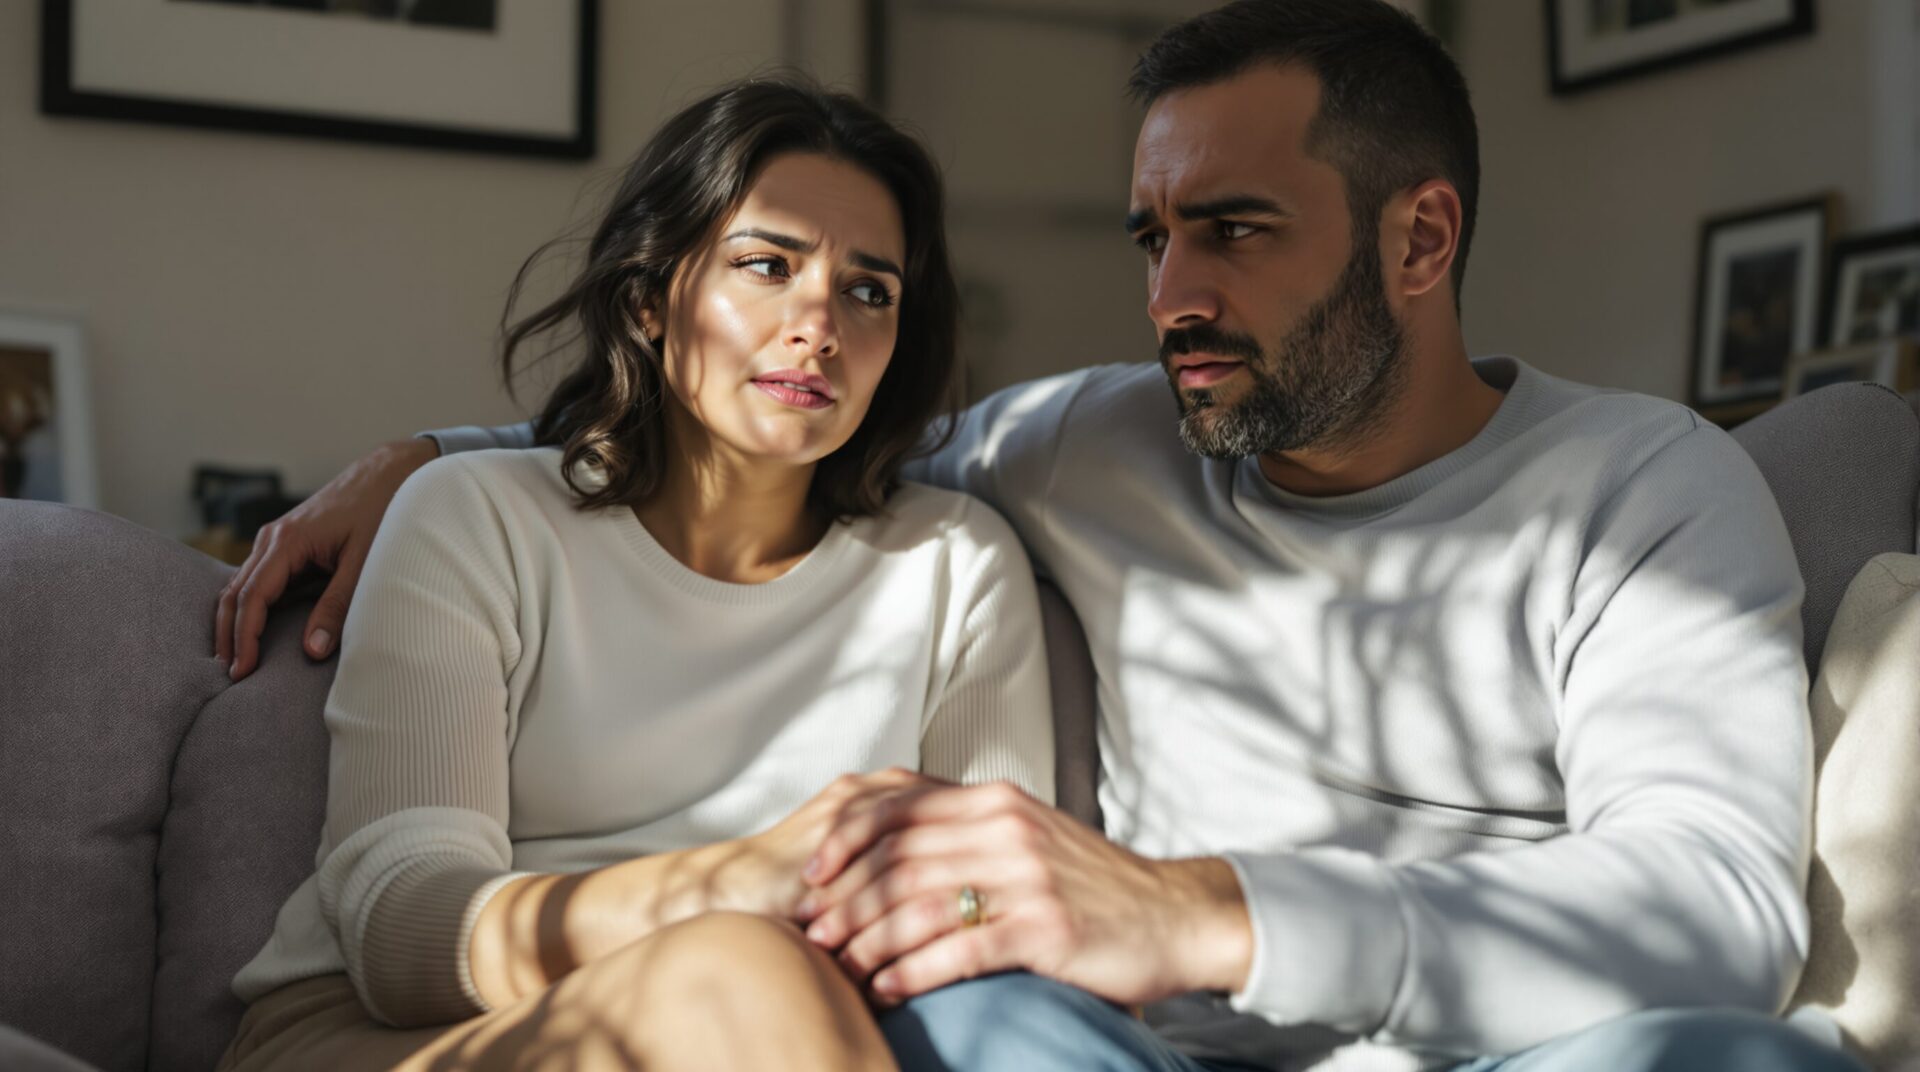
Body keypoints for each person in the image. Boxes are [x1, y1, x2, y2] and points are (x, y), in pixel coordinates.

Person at [217, 2, 1867, 1070]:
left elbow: (1717, 910)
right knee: (994, 1016)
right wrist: (435, 455)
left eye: (1230, 231)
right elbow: (768, 437)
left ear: (1420, 236)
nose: (1169, 301)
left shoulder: (1645, 489)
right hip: (1111, 1047)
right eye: (1154, 236)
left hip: (1495, 1045)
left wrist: (1203, 910)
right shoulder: (1095, 441)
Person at [215, 78, 1054, 1072]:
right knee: (741, 972)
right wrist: (747, 883)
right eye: (766, 265)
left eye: (869, 290)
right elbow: (402, 932)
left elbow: (984, 915)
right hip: (400, 1037)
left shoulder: (956, 564)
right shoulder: (473, 517)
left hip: (807, 1032)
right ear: (652, 301)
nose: (819, 322)